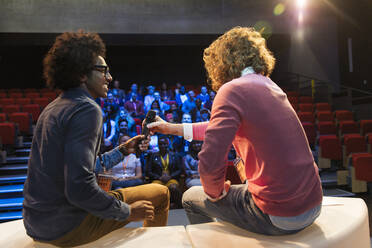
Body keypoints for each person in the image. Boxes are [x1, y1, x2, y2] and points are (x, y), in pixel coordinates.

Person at [147, 26, 322, 235]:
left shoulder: (231, 90)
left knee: (191, 197)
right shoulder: (270, 85)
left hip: (279, 215)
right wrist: (169, 128)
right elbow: (215, 129)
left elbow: (209, 164)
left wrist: (216, 194)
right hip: (313, 204)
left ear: (221, 63)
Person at [23, 31, 170, 247]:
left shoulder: (53, 107)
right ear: (82, 74)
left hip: (37, 223)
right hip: (67, 226)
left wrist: (123, 150)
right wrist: (128, 212)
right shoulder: (87, 109)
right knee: (160, 194)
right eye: (103, 71)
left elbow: (82, 168)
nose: (109, 78)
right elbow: (79, 187)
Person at [146, 136, 183, 208]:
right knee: (155, 188)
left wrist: (170, 176)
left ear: (168, 144)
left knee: (173, 188)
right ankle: (161, 205)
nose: (163, 146)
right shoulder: (153, 156)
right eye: (161, 144)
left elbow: (179, 170)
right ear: (158, 145)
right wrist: (159, 177)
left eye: (165, 144)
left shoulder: (174, 155)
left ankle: (178, 204)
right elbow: (148, 171)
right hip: (158, 179)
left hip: (171, 178)